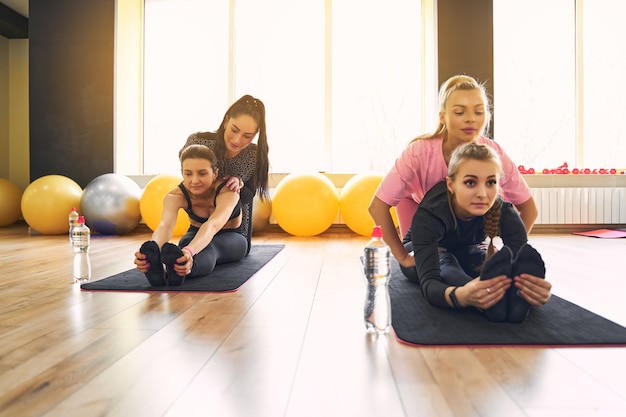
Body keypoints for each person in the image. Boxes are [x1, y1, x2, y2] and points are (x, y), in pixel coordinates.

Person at [368, 75, 538, 280]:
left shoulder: (493, 153)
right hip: (422, 215)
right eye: (459, 112)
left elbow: (528, 207)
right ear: (443, 117)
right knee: (425, 271)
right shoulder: (418, 153)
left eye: (478, 111)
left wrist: (508, 253)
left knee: (479, 269)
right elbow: (377, 206)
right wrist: (403, 257)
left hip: (467, 233)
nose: (470, 119)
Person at [410, 142, 551, 322]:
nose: (483, 194)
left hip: (469, 249)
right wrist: (461, 296)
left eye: (491, 182)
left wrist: (533, 290)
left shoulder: (504, 211)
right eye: (470, 182)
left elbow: (518, 257)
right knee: (446, 260)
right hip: (421, 251)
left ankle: (505, 299)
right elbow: (429, 284)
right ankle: (487, 301)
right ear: (451, 184)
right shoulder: (429, 214)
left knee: (487, 257)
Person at [134, 145, 248, 286]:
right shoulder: (175, 196)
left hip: (231, 237)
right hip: (194, 233)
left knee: (209, 247)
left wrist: (189, 252)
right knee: (184, 245)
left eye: (202, 173)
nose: (194, 181)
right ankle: (166, 270)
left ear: (215, 173)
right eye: (188, 174)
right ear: (182, 173)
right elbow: (165, 225)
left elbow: (212, 225)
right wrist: (152, 251)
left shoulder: (228, 191)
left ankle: (182, 269)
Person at [179, 94, 270, 253]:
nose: (237, 140)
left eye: (247, 136)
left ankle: (188, 256)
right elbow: (188, 176)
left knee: (207, 248)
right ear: (226, 120)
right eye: (234, 130)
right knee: (187, 243)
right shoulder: (198, 142)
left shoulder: (254, 155)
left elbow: (249, 196)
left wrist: (239, 185)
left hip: (234, 230)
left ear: (255, 134)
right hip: (200, 224)